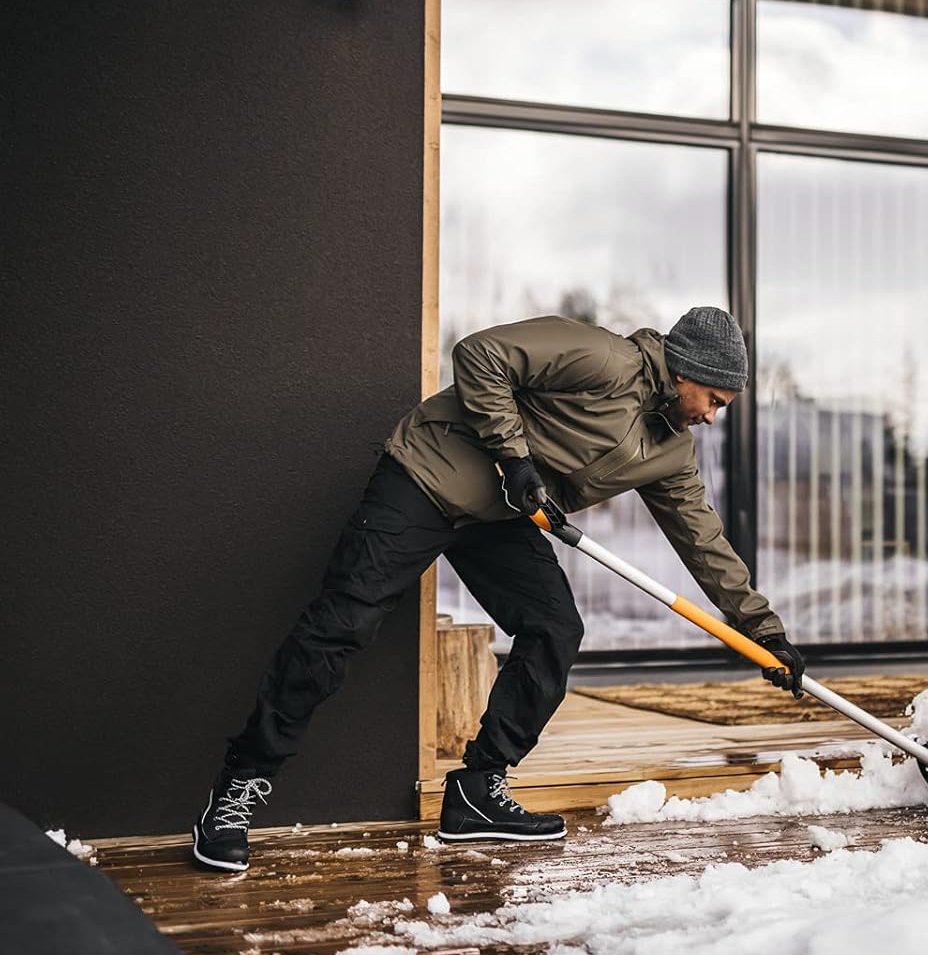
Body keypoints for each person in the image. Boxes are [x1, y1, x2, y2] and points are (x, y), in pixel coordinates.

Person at [190, 307, 804, 871]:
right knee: (342, 626)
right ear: (685, 371)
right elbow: (480, 353)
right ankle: (238, 787)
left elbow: (704, 541)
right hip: (428, 478)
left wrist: (763, 630)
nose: (712, 415)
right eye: (713, 399)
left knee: (555, 629)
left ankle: (477, 791)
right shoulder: (604, 358)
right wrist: (515, 458)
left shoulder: (671, 453)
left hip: (504, 516)